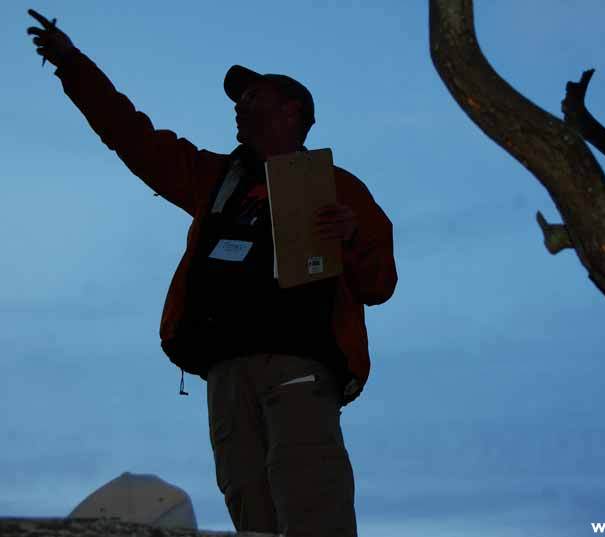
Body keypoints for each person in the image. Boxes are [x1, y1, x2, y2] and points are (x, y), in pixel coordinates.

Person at [27, 9, 398, 537]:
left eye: (253, 96)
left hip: (298, 365)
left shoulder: (340, 186)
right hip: (224, 373)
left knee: (310, 500)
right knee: (250, 506)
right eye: (238, 100)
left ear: (293, 111)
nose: (239, 106)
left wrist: (353, 238)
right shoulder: (213, 178)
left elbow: (380, 284)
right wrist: (72, 65)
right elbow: (130, 135)